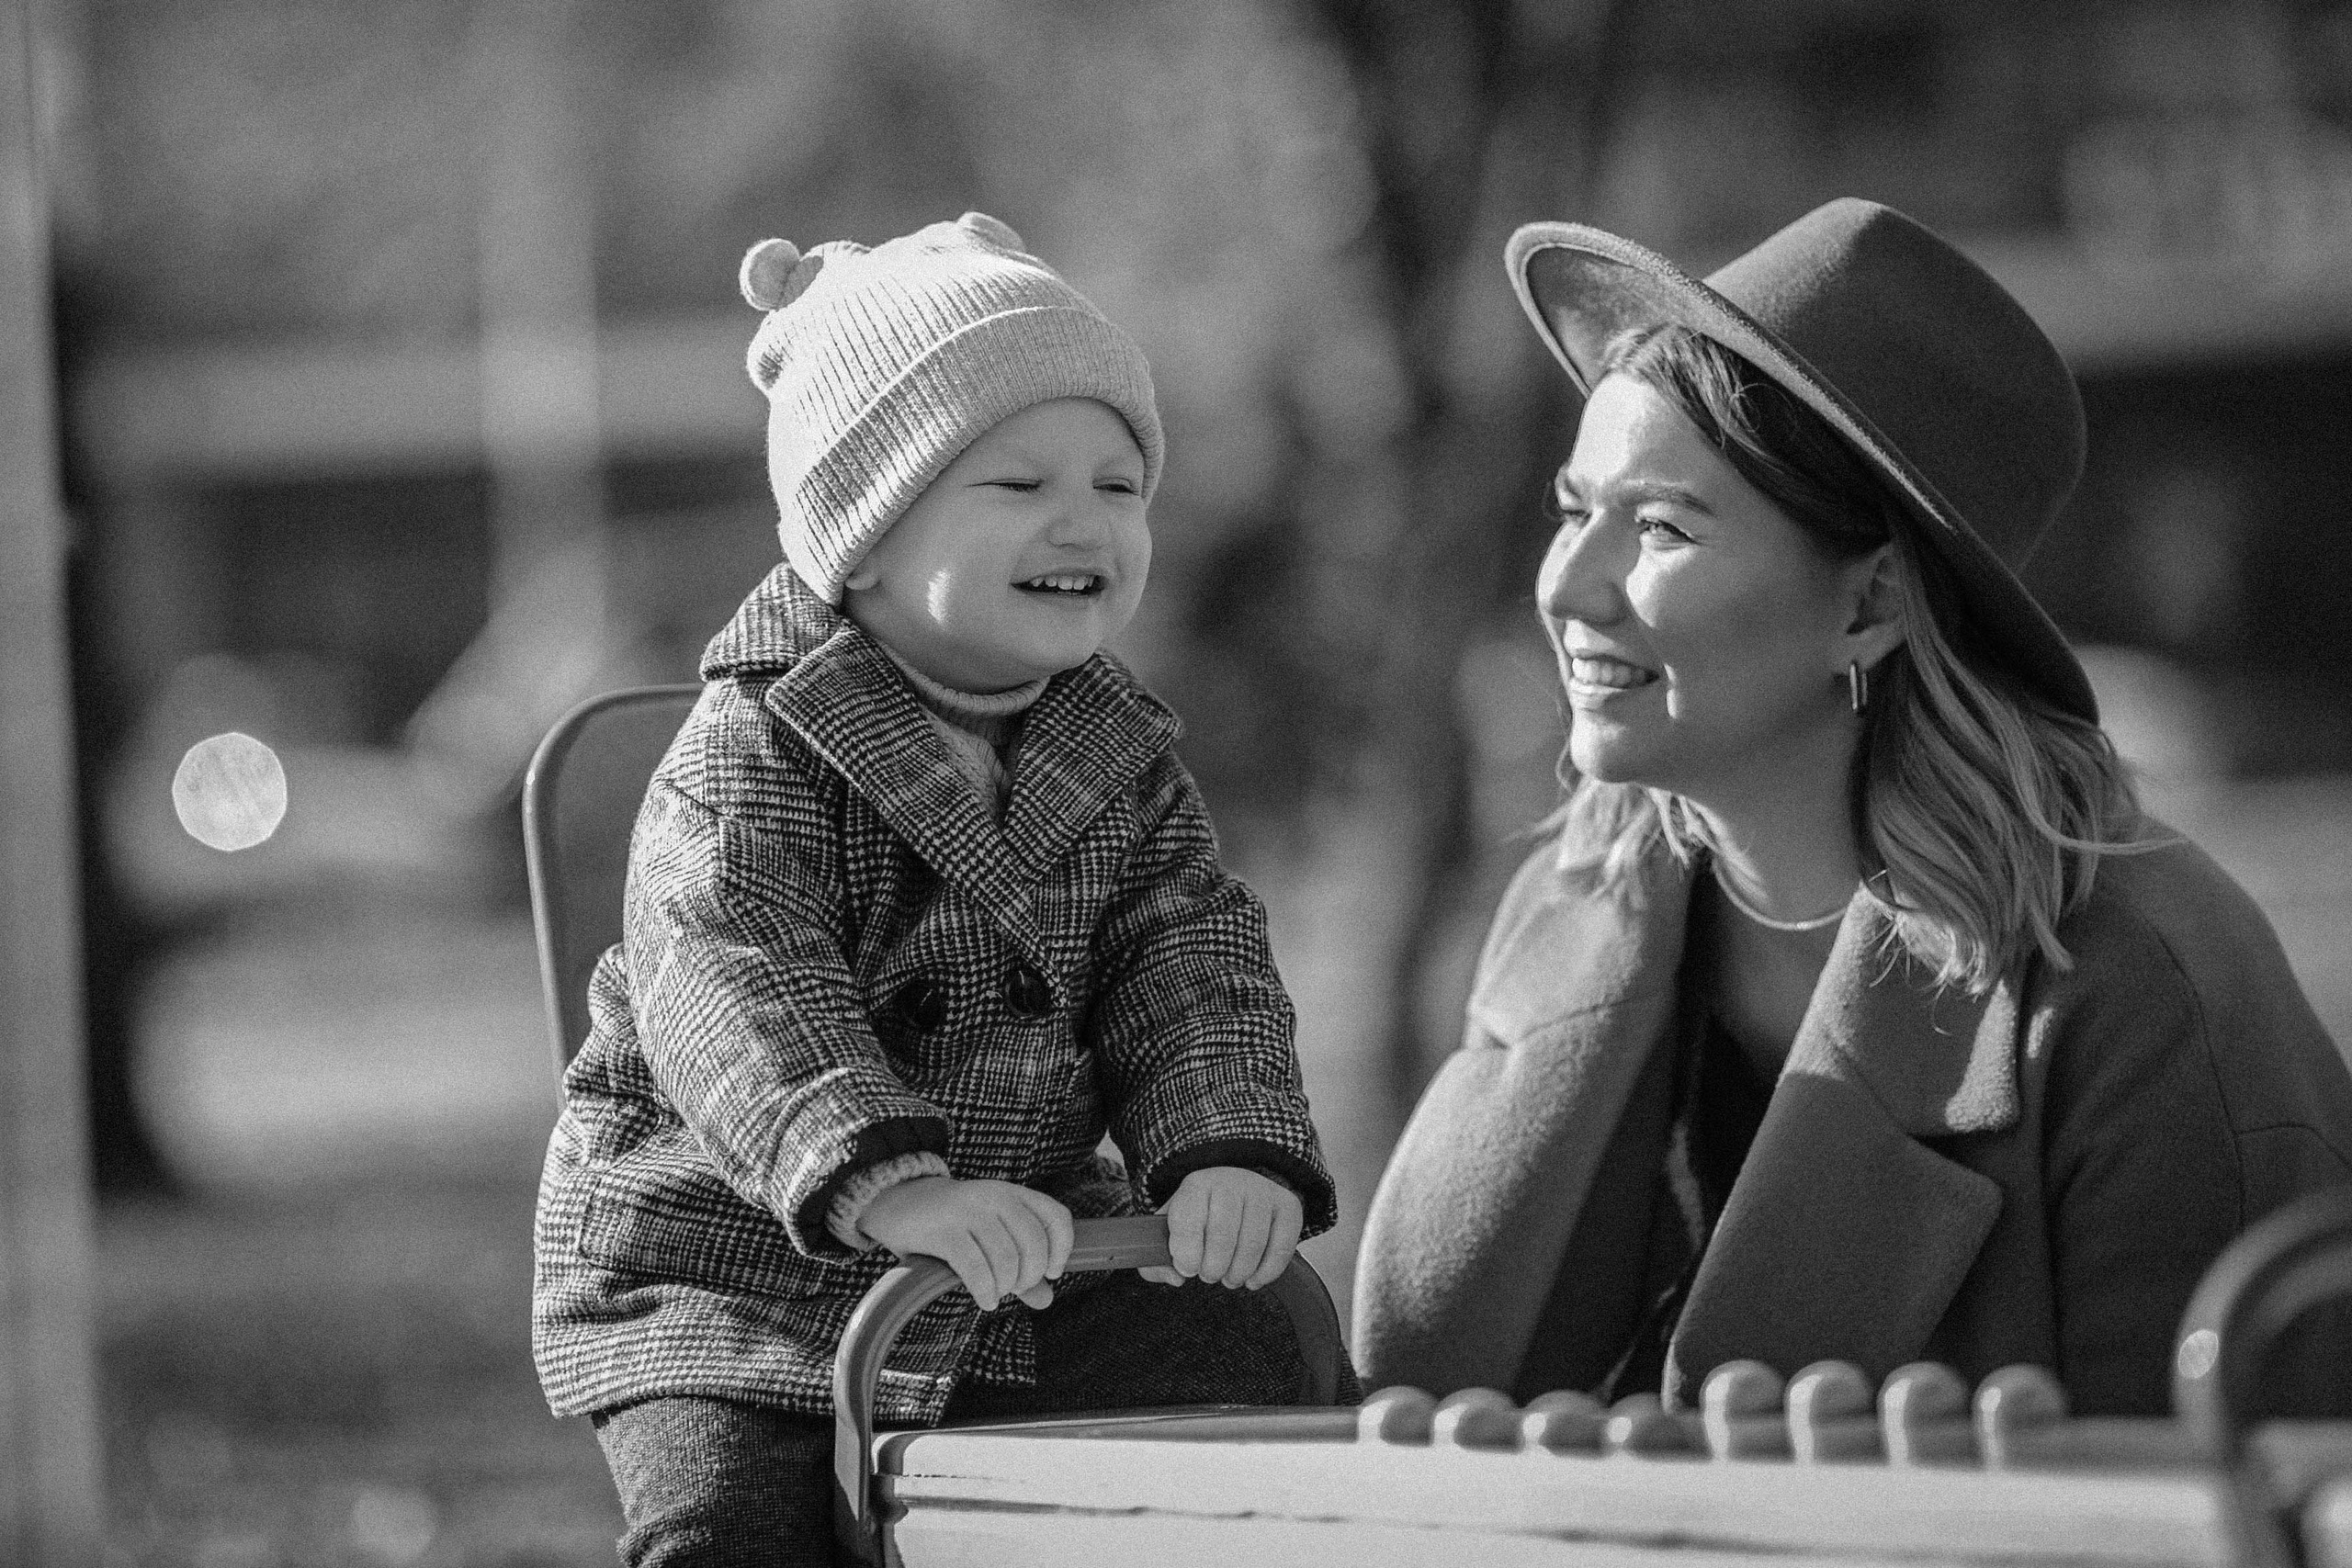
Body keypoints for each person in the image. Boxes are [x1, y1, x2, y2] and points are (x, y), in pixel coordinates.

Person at [1353, 198, 2352, 1419]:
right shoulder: (1569, 910)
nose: (1570, 585)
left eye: (1663, 527)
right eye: (1575, 510)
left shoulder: (2139, 989)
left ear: (1871, 605)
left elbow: (2245, 1494)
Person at [533, 212, 1344, 1567]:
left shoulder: (1122, 758)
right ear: (865, 536)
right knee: (727, 1527)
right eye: (1017, 487)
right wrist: (891, 1187)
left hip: (1017, 1250)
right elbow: (738, 985)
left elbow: (1187, 956)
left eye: (1118, 485)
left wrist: (1223, 1146)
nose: (1084, 519)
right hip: (739, 1262)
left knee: (1250, 1352)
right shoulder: (752, 756)